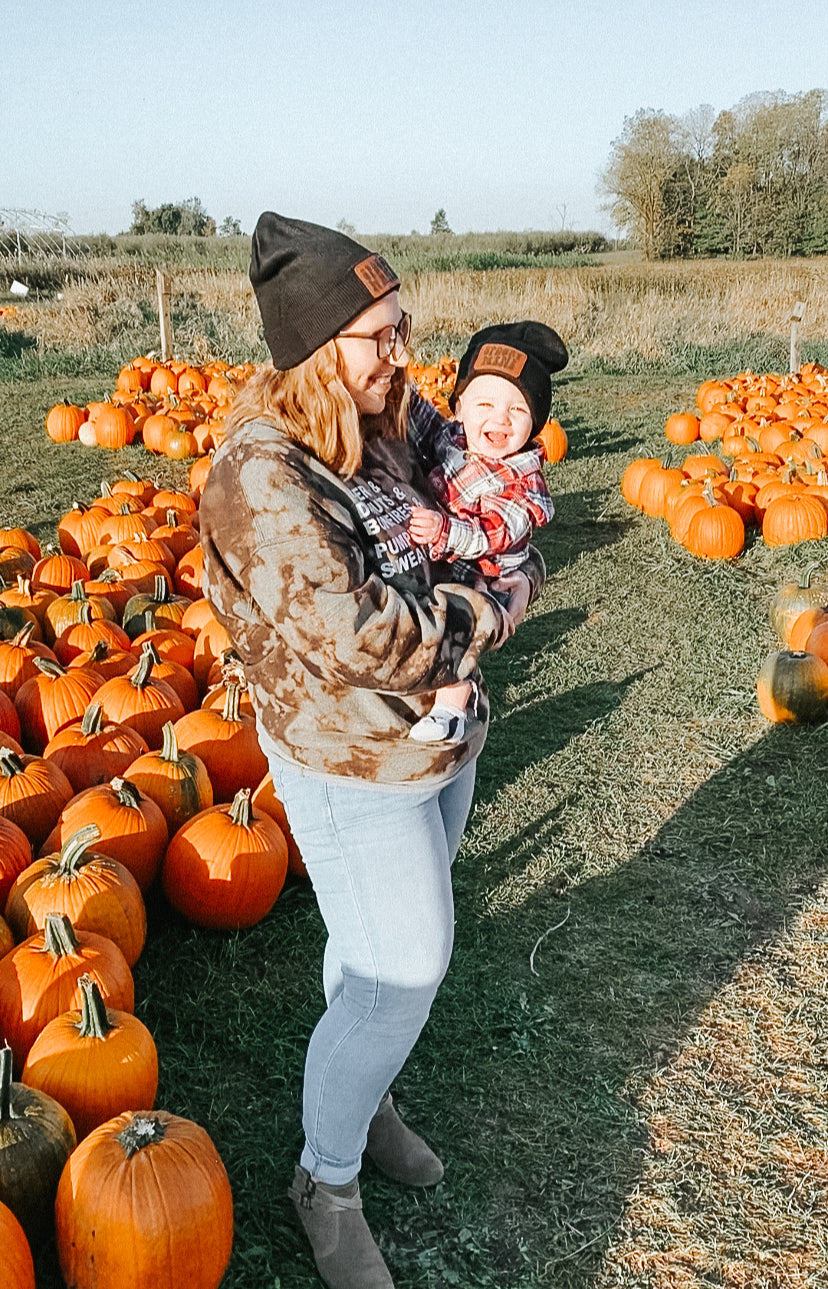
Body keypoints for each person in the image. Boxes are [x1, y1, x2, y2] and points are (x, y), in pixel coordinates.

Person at [198, 212, 545, 1289]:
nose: (403, 353)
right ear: (316, 344)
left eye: (403, 326)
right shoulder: (263, 471)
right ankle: (326, 1178)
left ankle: (367, 1092)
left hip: (442, 734)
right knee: (406, 966)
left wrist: (510, 540)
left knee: (372, 945)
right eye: (379, 334)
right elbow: (363, 636)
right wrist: (498, 605)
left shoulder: (391, 409)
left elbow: (499, 492)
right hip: (351, 755)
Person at [406, 321, 568, 743]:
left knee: (459, 625)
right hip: (449, 561)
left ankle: (452, 707)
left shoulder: (522, 479)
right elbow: (422, 420)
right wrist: (399, 391)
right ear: (459, 407)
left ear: (535, 423)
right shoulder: (455, 439)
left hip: (486, 575)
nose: (499, 419)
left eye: (517, 410)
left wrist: (446, 531)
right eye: (484, 406)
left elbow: (492, 533)